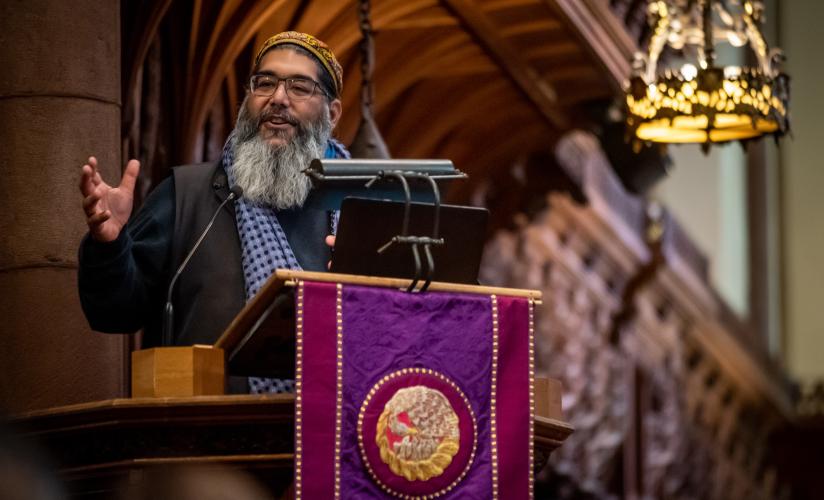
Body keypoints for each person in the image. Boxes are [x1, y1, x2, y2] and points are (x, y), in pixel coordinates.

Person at [77, 32, 348, 393]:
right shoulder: (187, 196)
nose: (278, 99)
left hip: (328, 432)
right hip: (201, 437)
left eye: (299, 87)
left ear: (331, 113)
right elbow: (114, 312)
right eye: (264, 83)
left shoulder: (355, 210)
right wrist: (109, 247)